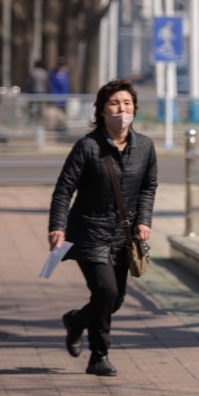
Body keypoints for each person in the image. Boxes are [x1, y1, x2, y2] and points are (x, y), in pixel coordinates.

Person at [48, 78, 157, 377]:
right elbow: (63, 190)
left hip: (122, 235)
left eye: (126, 104)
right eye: (114, 104)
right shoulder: (87, 146)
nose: (121, 110)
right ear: (101, 111)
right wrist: (57, 227)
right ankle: (99, 356)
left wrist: (143, 220)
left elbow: (149, 186)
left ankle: (76, 320)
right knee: (105, 291)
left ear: (135, 109)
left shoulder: (145, 147)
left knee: (114, 300)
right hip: (88, 231)